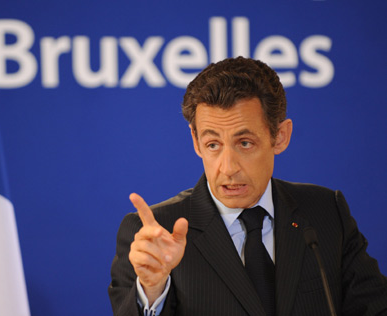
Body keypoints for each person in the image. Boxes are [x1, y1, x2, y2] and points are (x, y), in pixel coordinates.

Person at [108, 57, 387, 316]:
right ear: (196, 142)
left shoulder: (326, 212)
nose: (228, 168)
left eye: (245, 143)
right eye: (213, 144)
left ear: (280, 136)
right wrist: (152, 289)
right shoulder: (156, 232)